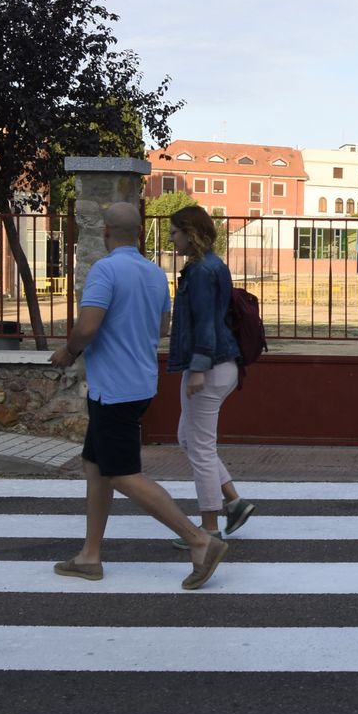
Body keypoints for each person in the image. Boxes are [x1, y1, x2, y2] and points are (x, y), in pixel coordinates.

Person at [49, 201, 228, 590]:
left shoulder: (105, 270)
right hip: (140, 383)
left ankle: (200, 541)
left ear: (105, 232)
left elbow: (88, 327)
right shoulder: (155, 274)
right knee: (95, 465)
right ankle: (89, 556)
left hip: (112, 388)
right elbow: (163, 326)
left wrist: (69, 351)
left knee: (123, 475)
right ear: (140, 232)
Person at [166, 204, 255, 546]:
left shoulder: (202, 271)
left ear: (190, 233)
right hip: (218, 363)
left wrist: (198, 368)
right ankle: (233, 502)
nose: (172, 239)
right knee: (188, 439)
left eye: (175, 233)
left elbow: (205, 320)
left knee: (200, 448)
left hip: (210, 366)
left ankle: (209, 529)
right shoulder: (212, 265)